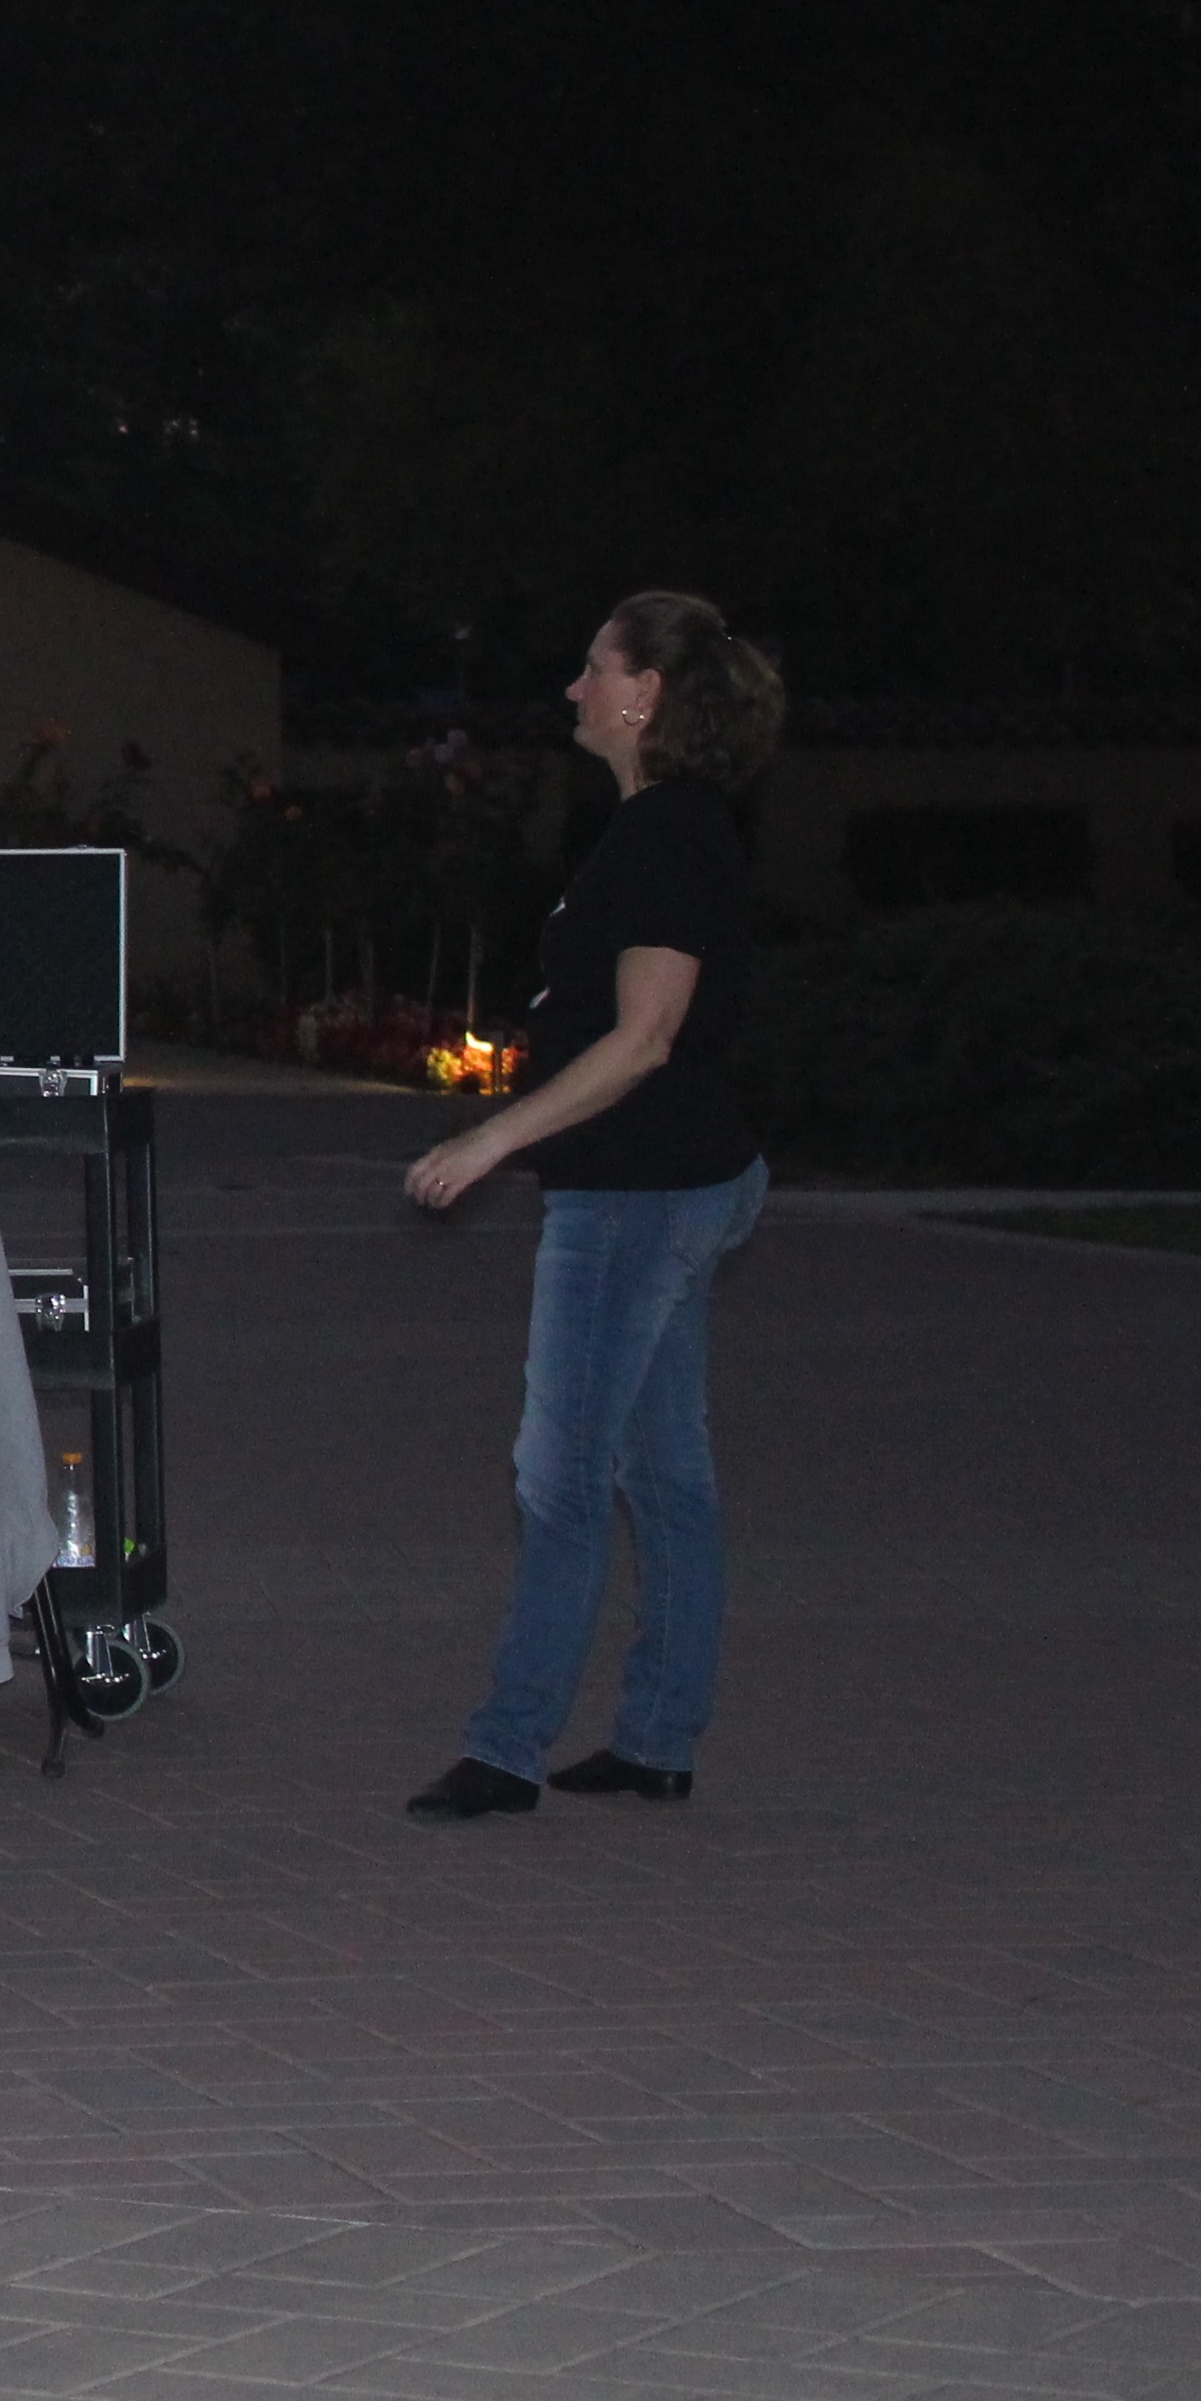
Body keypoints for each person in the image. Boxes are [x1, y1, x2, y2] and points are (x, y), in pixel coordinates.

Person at [399, 593, 783, 1823]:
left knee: (561, 1479)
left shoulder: (667, 836)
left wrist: (491, 1140)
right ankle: (659, 1737)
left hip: (637, 1195)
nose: (572, 689)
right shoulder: (661, 827)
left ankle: (508, 1748)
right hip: (669, 1181)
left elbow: (646, 1038)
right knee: (664, 1471)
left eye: (590, 668)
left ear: (644, 695)